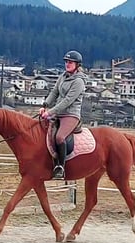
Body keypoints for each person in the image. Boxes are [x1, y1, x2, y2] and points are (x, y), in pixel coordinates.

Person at [39, 50, 87, 179]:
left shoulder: (79, 82)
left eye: (70, 62)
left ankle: (60, 167)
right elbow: (54, 92)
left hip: (71, 115)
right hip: (58, 113)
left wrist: (50, 112)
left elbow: (67, 101)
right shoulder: (63, 76)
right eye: (66, 62)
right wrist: (45, 105)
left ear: (77, 64)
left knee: (60, 137)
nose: (67, 64)